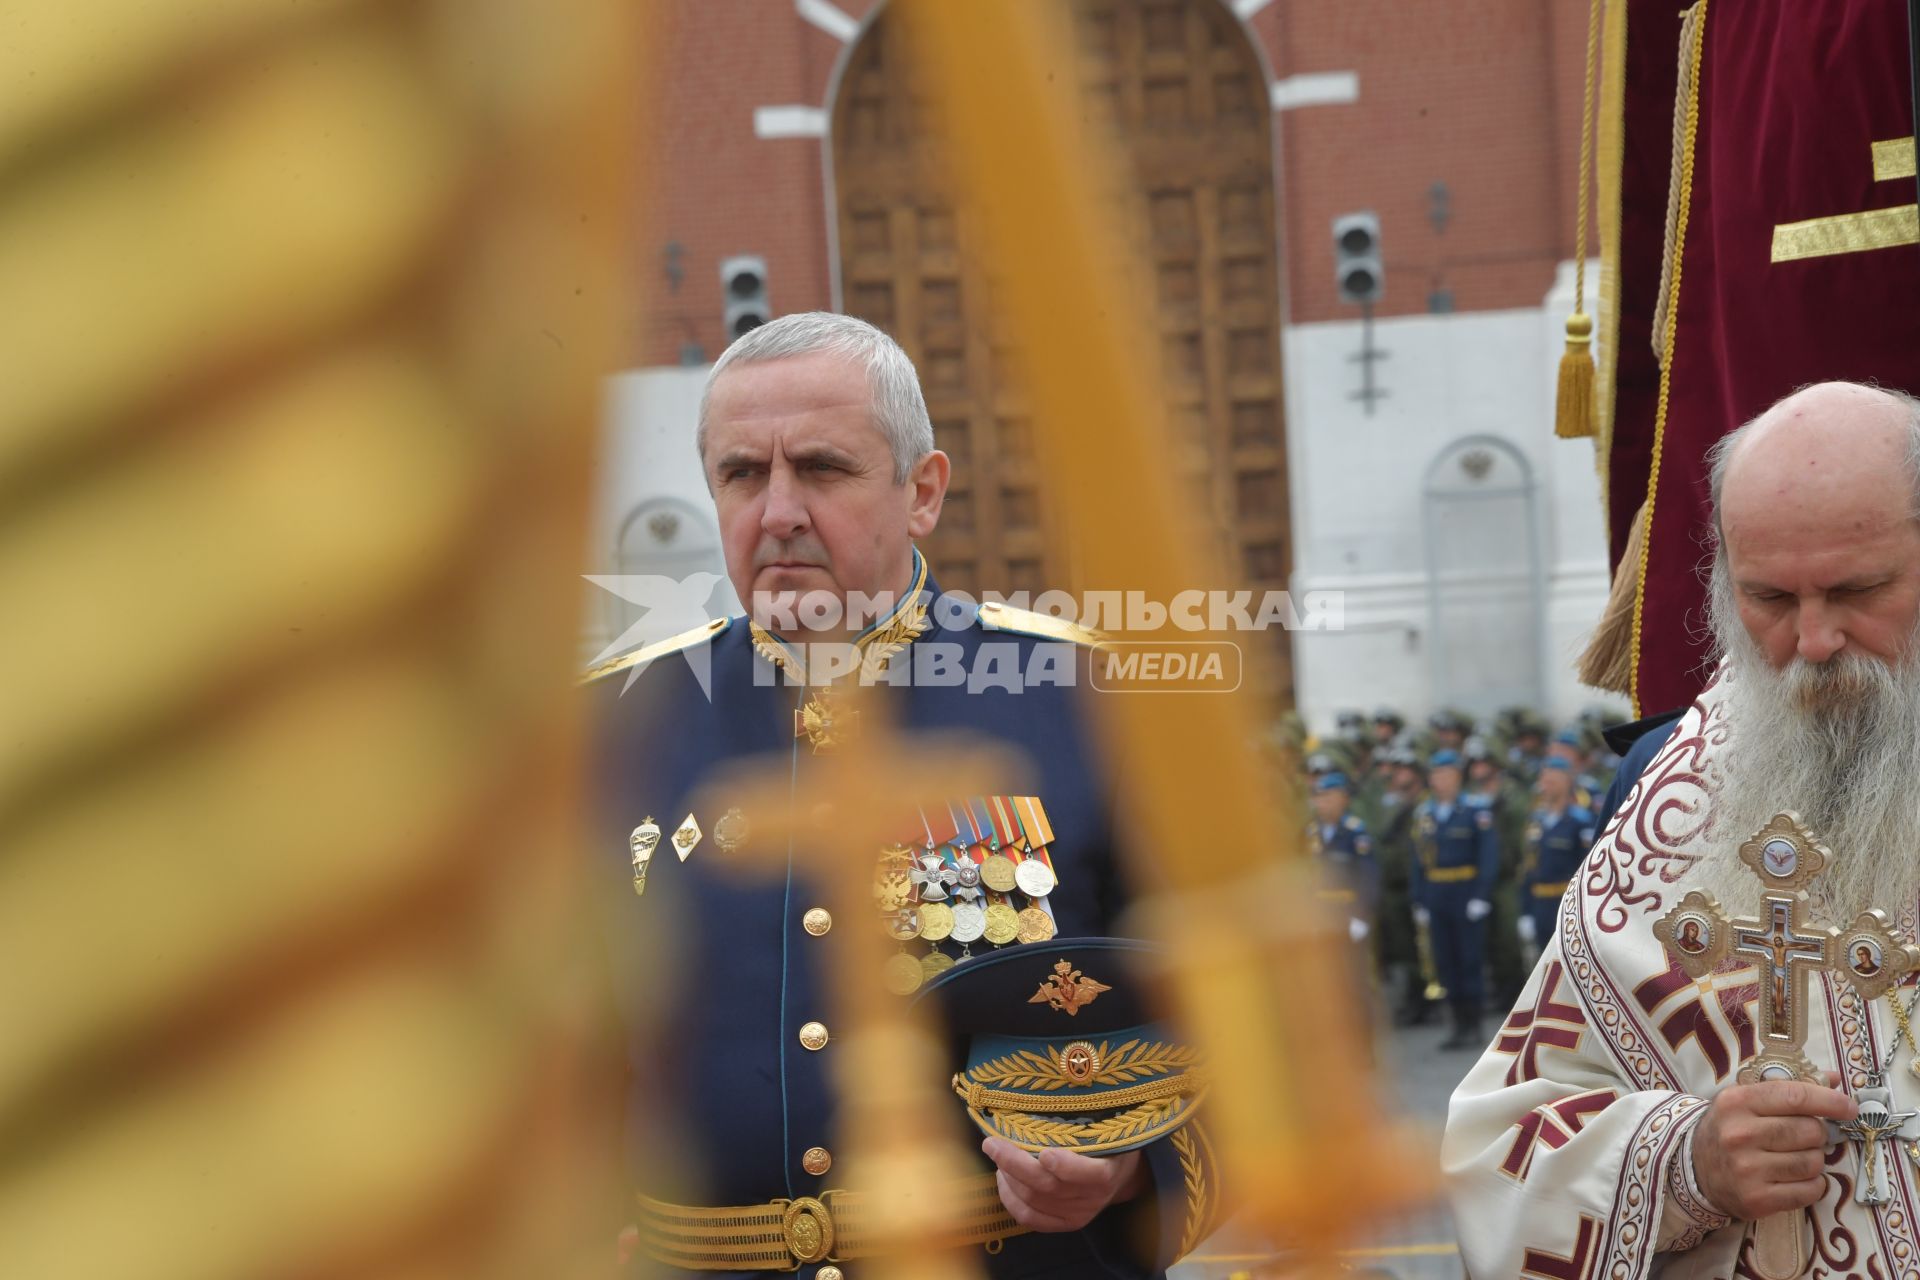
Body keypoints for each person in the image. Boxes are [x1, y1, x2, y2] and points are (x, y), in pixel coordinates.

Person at [587, 312, 1215, 1277]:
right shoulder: (613, 729)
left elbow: (1251, 1022)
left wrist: (1137, 1172)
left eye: (824, 469)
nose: (781, 510)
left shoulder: (1090, 703)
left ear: (922, 493)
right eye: (743, 474)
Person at [1444, 382, 1920, 1276]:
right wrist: (1688, 1162)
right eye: (1771, 598)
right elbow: (1503, 1149)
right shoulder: (1672, 793)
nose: (1814, 641)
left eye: (1859, 590)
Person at [1410, 748, 1499, 1050]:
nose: (1440, 781)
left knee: (1469, 958)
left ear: (1457, 778)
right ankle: (1457, 1023)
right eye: (1436, 775)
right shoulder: (1425, 814)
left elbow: (1488, 854)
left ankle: (1473, 1023)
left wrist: (1480, 895)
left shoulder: (1475, 810)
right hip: (1437, 892)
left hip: (1464, 889)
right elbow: (1418, 860)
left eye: (1446, 775)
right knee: (1444, 960)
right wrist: (1419, 898)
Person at [1514, 759, 1595, 959]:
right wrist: (1526, 910)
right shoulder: (1536, 821)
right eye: (1544, 779)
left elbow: (1589, 868)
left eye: (1553, 780)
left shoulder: (1580, 821)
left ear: (1567, 782)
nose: (1546, 785)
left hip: (1567, 904)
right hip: (1540, 903)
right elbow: (1528, 867)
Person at [1307, 771, 1378, 955]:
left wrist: (1360, 916)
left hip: (1347, 908)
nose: (1323, 803)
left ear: (1343, 800)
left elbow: (1367, 876)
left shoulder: (1355, 832)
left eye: (1329, 797)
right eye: (1320, 797)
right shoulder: (1311, 833)